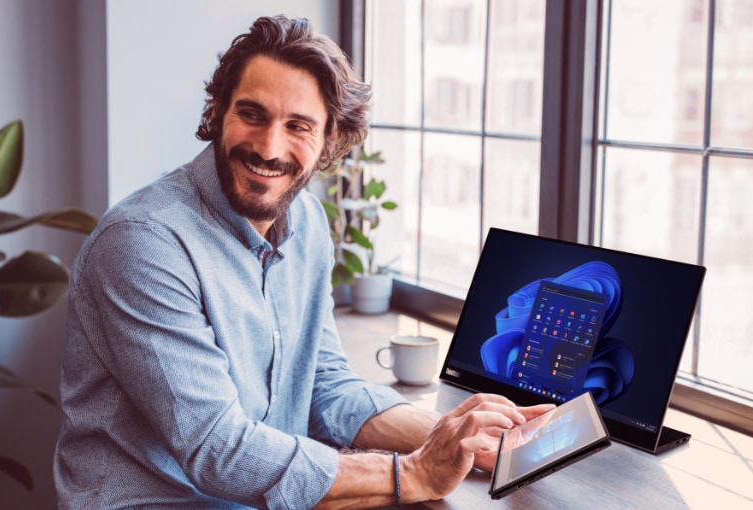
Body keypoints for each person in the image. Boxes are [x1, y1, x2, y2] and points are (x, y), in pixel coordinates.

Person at [53, 14, 552, 509]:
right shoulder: (143, 244)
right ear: (218, 111)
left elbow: (322, 384)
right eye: (251, 114)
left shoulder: (309, 223)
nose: (269, 147)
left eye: (298, 126)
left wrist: (455, 437)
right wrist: (414, 472)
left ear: (330, 141)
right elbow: (218, 450)